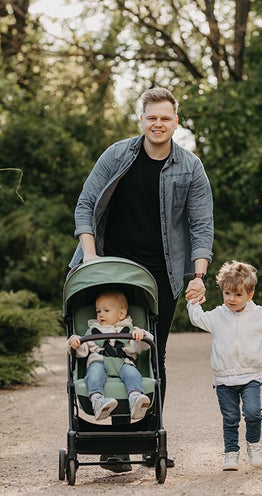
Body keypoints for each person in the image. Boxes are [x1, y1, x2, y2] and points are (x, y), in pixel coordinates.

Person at [69, 87, 214, 471]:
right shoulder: (117, 155)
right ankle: (115, 446)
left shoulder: (190, 167)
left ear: (176, 122)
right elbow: (85, 205)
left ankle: (150, 438)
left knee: (151, 352)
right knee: (106, 346)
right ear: (142, 120)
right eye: (152, 117)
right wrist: (91, 256)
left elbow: (202, 225)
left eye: (165, 117)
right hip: (112, 270)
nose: (158, 124)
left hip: (162, 276)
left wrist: (198, 275)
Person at [187, 261, 262, 471]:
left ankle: (254, 445)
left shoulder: (259, 315)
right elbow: (197, 318)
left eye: (238, 294)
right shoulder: (217, 315)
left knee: (253, 413)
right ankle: (231, 453)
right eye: (227, 294)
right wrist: (193, 301)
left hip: (250, 376)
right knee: (231, 418)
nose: (231, 299)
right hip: (224, 379)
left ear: (250, 294)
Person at [67, 290, 152, 421]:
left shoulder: (131, 330)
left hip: (124, 362)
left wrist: (141, 335)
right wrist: (75, 342)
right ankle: (97, 401)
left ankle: (135, 399)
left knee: (133, 374)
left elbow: (145, 344)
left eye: (106, 311)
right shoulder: (93, 331)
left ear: (121, 313)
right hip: (99, 361)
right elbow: (82, 351)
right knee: (94, 374)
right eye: (98, 311)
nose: (100, 315)